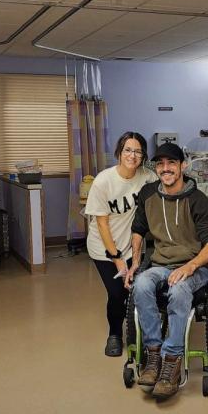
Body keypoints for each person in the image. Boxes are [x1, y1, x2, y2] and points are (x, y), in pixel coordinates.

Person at [126, 142, 208, 400]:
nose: (165, 169)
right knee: (142, 284)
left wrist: (190, 266)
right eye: (160, 164)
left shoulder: (198, 200)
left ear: (182, 166)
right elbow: (138, 230)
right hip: (160, 264)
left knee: (179, 290)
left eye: (171, 164)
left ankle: (172, 360)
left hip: (195, 266)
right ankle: (153, 354)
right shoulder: (148, 194)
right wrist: (135, 263)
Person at [85, 132, 157, 357]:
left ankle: (139, 332)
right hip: (103, 248)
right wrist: (116, 258)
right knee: (117, 293)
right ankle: (114, 334)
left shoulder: (148, 177)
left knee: (136, 290)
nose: (132, 155)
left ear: (143, 155)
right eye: (128, 150)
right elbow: (102, 224)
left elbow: (167, 186)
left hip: (132, 246)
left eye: (137, 151)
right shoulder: (103, 181)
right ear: (119, 152)